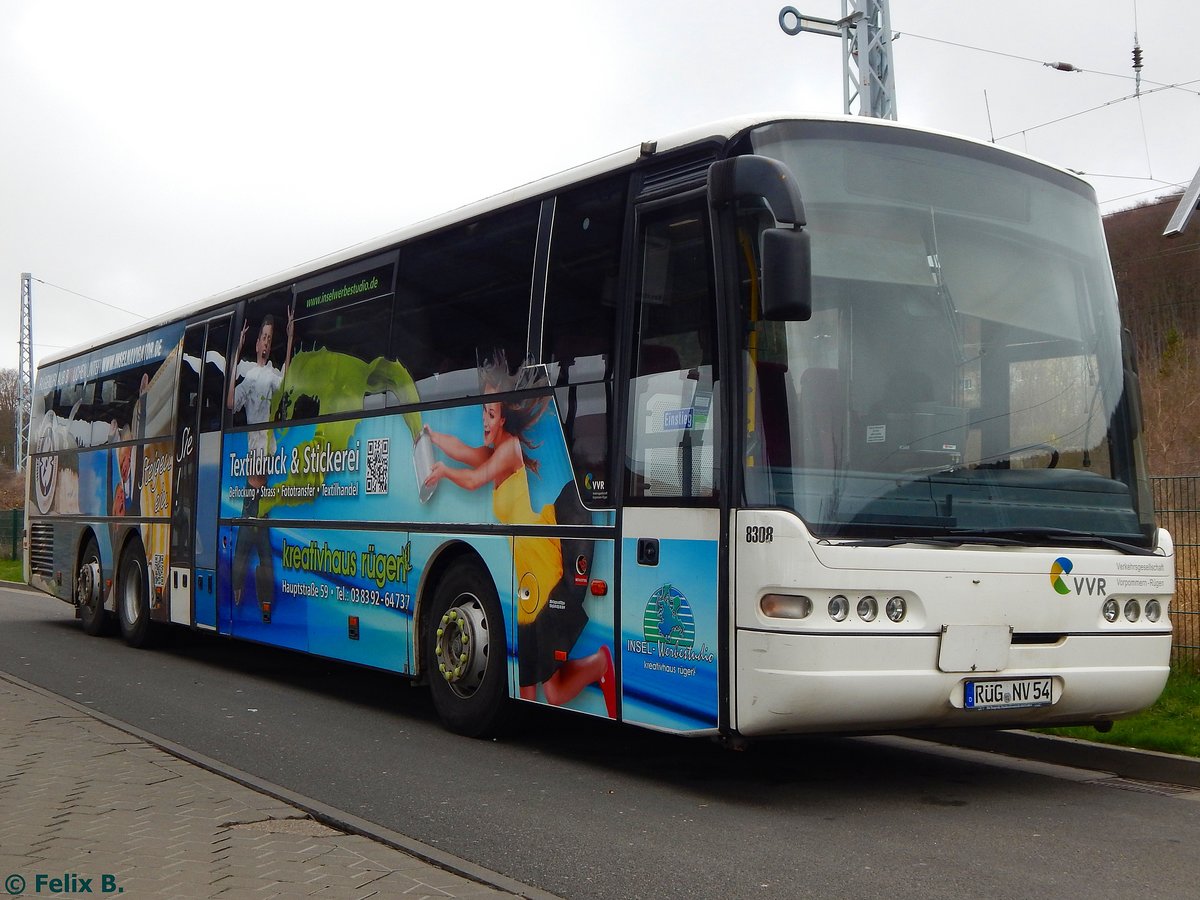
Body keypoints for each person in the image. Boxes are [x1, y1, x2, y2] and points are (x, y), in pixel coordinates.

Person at [422, 351, 616, 717]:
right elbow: (466, 453)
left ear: (505, 417)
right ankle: (598, 665)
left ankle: (600, 665)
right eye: (483, 411)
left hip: (540, 561)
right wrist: (433, 435)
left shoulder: (508, 450)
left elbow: (474, 478)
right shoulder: (495, 450)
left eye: (491, 413)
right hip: (525, 568)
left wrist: (444, 472)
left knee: (539, 688)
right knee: (544, 690)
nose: (484, 419)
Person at [226, 304, 295, 608]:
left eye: (270, 338)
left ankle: (241, 586)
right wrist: (235, 353)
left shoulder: (273, 374)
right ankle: (251, 589)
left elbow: (287, 385)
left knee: (254, 524)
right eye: (262, 337)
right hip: (255, 454)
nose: (266, 343)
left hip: (267, 457)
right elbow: (230, 403)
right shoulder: (250, 374)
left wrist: (290, 339)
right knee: (253, 525)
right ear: (255, 344)